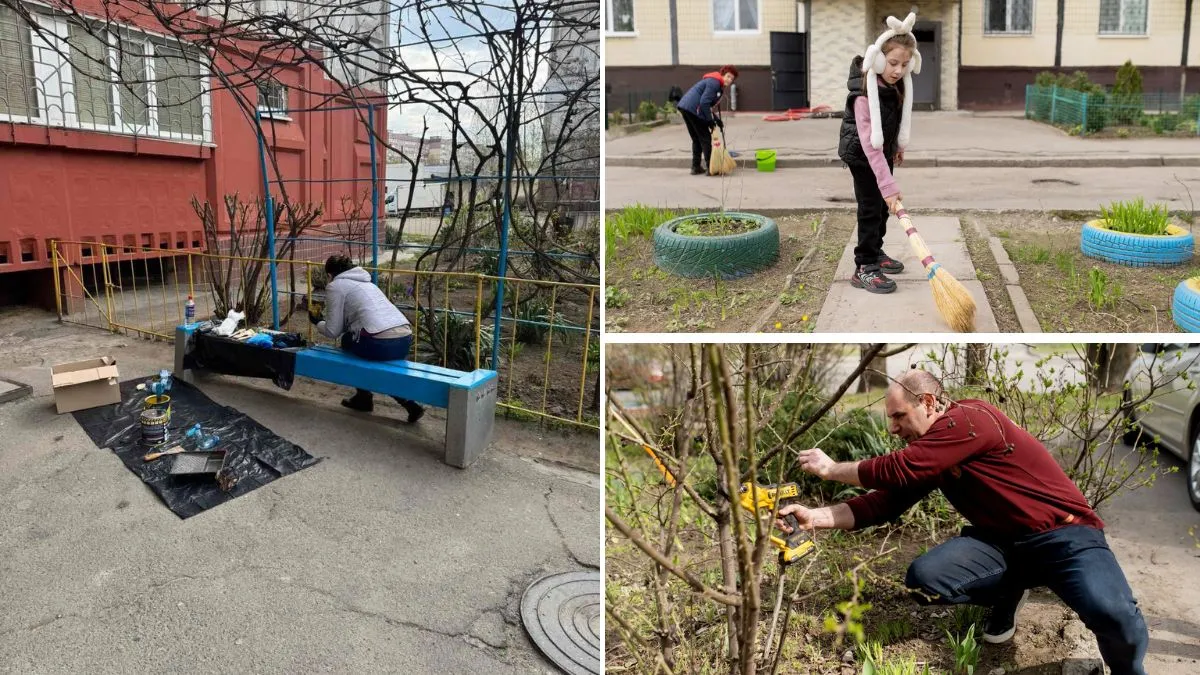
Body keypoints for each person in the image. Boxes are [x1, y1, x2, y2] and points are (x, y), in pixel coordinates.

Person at [776, 370, 1149, 675]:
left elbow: (897, 468)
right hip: (1001, 543)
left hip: (1065, 535)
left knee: (1112, 614)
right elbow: (883, 504)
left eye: (898, 416)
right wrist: (815, 518)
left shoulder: (969, 419)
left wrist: (830, 469)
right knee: (926, 580)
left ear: (928, 402)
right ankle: (1008, 595)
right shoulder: (931, 452)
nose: (892, 429)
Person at [837, 12, 923, 294]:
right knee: (871, 209)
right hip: (863, 157)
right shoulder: (863, 94)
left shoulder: (892, 86)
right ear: (878, 58)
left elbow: (892, 122)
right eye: (893, 62)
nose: (898, 70)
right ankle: (863, 266)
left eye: (904, 65)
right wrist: (888, 185)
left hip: (881, 153)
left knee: (884, 210)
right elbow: (869, 143)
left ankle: (876, 252)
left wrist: (896, 147)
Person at [309, 254, 424, 424]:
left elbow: (333, 331)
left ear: (329, 274)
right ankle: (408, 403)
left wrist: (317, 321)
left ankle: (364, 397)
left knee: (347, 344)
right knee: (375, 363)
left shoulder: (336, 286)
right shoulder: (368, 284)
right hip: (404, 338)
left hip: (380, 342)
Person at [676, 65, 738, 175]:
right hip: (693, 109)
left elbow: (706, 105)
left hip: (686, 107)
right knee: (705, 138)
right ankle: (711, 168)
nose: (729, 80)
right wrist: (709, 121)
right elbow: (704, 103)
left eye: (732, 79)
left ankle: (695, 167)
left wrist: (716, 119)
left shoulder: (716, 83)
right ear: (723, 75)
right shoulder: (715, 83)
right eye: (728, 76)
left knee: (696, 138)